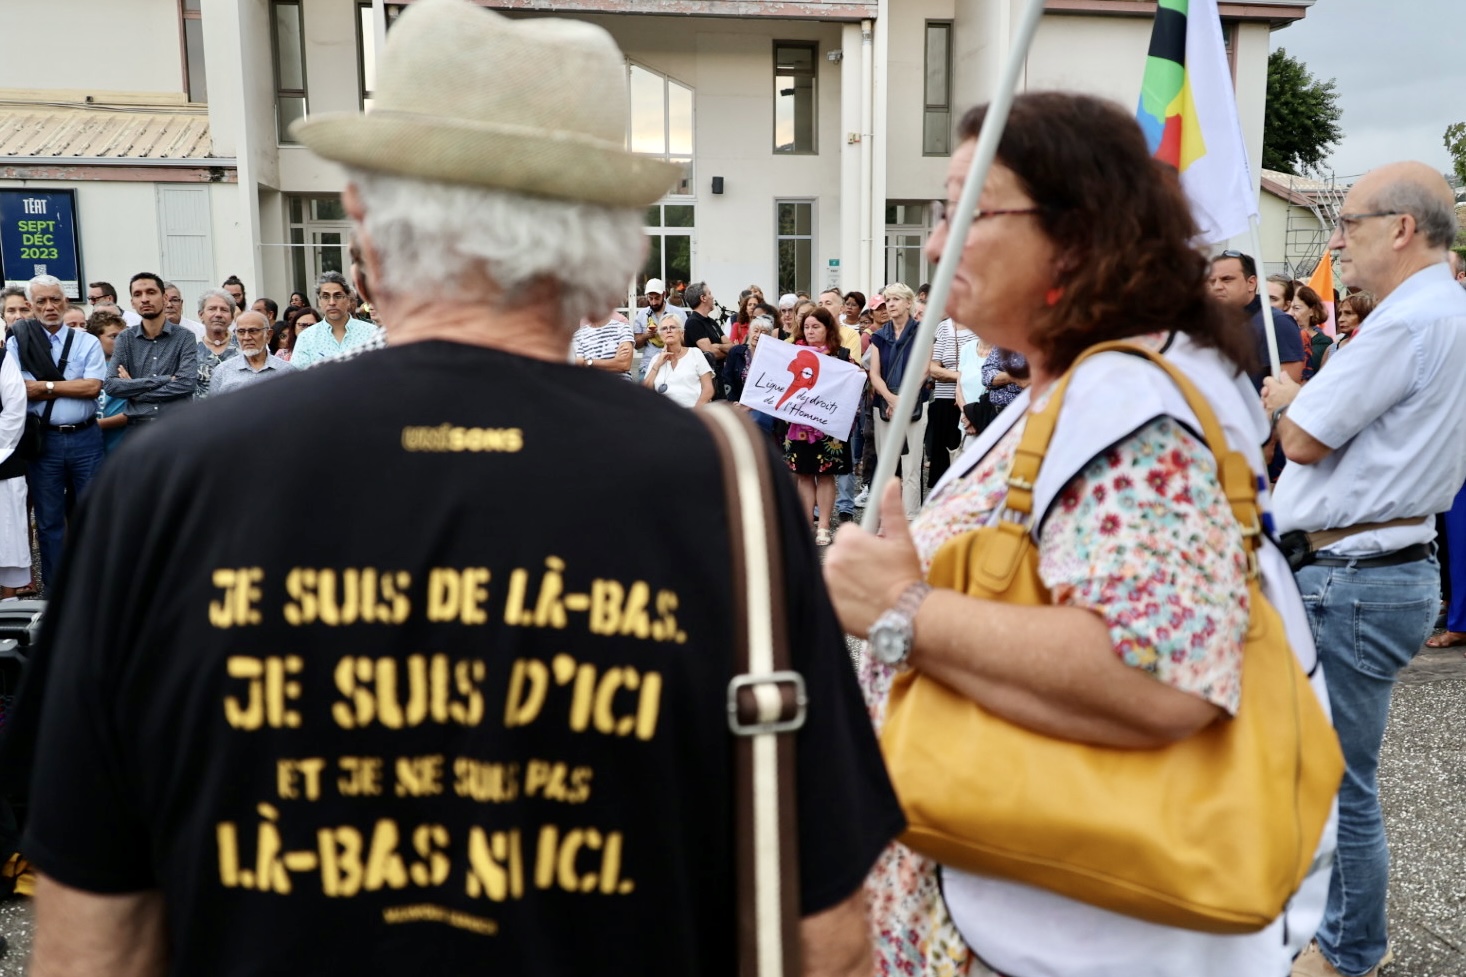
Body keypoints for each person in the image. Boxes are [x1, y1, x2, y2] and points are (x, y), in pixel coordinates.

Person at [20, 4, 900, 976]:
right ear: (614, 249)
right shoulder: (724, 490)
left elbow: (92, 934)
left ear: (361, 224)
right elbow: (822, 935)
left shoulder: (162, 483)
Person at [825, 91, 1335, 977]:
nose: (938, 243)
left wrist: (901, 608)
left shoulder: (1127, 405)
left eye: (966, 211)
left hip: (1062, 926)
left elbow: (1159, 673)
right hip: (1007, 902)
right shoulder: (1069, 390)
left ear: (1078, 231)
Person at [1260, 162, 1466, 977]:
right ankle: (1329, 931)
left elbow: (1306, 438)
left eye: (1348, 222)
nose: (1336, 240)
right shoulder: (1439, 310)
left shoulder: (1409, 321)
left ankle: (1347, 952)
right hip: (1370, 566)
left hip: (1354, 573)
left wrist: (1284, 397)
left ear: (1403, 228)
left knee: (1340, 785)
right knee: (1325, 774)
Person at [6, 275, 106, 594]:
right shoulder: (18, 341)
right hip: (43, 442)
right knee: (49, 522)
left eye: (55, 300)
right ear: (31, 307)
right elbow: (21, 390)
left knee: (92, 517)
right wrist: (68, 388)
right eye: (41, 302)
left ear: (66, 301)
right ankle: (57, 593)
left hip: (86, 439)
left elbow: (92, 388)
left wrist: (46, 386)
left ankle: (97, 590)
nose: (50, 307)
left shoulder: (87, 341)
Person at [785, 308, 854, 546]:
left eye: (816, 327)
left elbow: (854, 388)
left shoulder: (842, 356)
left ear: (827, 329)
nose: (810, 331)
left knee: (826, 475)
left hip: (829, 427)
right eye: (806, 327)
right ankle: (806, 525)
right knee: (804, 474)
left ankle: (823, 525)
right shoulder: (792, 354)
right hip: (799, 424)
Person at [104, 272, 200, 429]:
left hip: (178, 426)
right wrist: (165, 379)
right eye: (137, 294)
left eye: (151, 292)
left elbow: (187, 383)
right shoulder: (125, 338)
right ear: (132, 302)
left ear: (164, 298)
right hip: (138, 428)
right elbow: (111, 385)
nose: (144, 299)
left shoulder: (185, 337)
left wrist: (135, 391)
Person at [867, 282, 928, 521]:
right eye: (887, 300)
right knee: (887, 466)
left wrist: (903, 400)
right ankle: (887, 520)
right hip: (884, 404)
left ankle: (912, 519)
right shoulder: (879, 336)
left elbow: (924, 370)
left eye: (895, 300)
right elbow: (874, 373)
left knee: (912, 466)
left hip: (914, 402)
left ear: (908, 303)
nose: (890, 305)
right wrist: (892, 399)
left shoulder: (923, 331)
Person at [1209, 251, 1305, 390]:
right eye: (1212, 281)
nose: (1217, 286)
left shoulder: (1276, 323)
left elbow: (1284, 394)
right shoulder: (1210, 323)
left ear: (1251, 283)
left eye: (1227, 279)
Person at [926, 316, 976, 492]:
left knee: (970, 459)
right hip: (945, 400)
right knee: (942, 462)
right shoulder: (943, 327)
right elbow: (932, 368)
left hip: (973, 400)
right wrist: (963, 376)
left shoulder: (981, 326)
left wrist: (951, 375)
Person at [0, 315, 31, 601]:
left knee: (7, 537)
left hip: (3, 459)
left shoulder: (2, 360)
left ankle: (8, 607)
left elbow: (14, 408)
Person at [290, 273, 378, 367]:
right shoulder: (307, 338)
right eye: (325, 296)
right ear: (319, 301)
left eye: (338, 296)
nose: (332, 302)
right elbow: (299, 377)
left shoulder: (372, 332)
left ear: (348, 300)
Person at [208, 311, 297, 396]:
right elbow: (213, 409)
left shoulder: (287, 371)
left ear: (268, 335)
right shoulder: (222, 372)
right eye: (241, 332)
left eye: (253, 331)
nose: (246, 337)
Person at [85, 309, 131, 454]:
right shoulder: (85, 367)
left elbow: (132, 412)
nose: (121, 341)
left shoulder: (129, 368)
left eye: (123, 336)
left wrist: (95, 425)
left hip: (120, 448)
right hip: (91, 449)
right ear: (95, 339)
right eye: (113, 336)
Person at [642, 318, 713, 407]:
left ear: (682, 333)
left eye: (672, 327)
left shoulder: (695, 353)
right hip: (665, 414)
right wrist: (657, 365)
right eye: (664, 328)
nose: (668, 331)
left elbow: (708, 389)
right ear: (660, 335)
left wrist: (694, 413)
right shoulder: (656, 359)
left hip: (693, 412)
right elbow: (644, 393)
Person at [630, 278, 687, 380]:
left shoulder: (679, 313)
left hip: (675, 366)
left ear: (664, 295)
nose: (653, 302)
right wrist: (646, 335)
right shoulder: (642, 315)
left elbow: (687, 342)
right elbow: (636, 345)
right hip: (648, 366)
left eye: (657, 298)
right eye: (650, 298)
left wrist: (671, 334)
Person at [680, 281, 729, 394]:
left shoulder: (712, 322)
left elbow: (731, 345)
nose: (712, 296)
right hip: (705, 383)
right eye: (709, 293)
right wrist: (725, 349)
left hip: (720, 377)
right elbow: (711, 354)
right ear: (703, 298)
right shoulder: (693, 322)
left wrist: (718, 346)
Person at [195, 289, 240, 397]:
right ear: (201, 315)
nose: (218, 314)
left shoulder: (244, 346)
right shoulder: (191, 349)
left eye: (224, 310)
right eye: (212, 309)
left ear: (232, 317)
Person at [570, 314, 634, 379]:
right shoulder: (578, 335)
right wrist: (614, 362)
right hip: (591, 386)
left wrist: (588, 362)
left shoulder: (623, 328)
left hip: (621, 386)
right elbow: (580, 367)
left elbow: (624, 364)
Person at [1319, 291, 1373, 369]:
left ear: (1365, 315)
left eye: (1348, 313)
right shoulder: (1332, 349)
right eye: (1340, 314)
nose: (1341, 319)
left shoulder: (1375, 347)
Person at [1290, 284, 1331, 379]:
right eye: (1288, 308)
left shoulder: (1323, 342)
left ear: (1312, 311)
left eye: (1296, 308)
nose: (1291, 313)